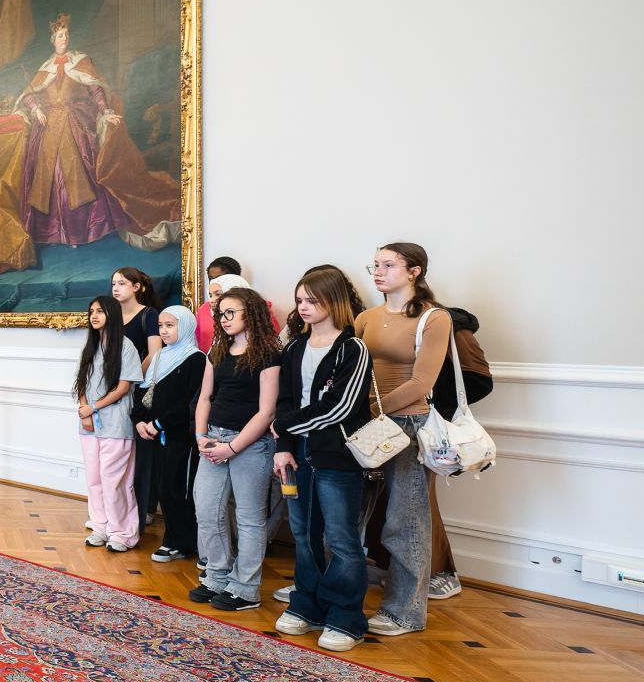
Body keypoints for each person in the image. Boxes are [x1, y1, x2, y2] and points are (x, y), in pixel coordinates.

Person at [273, 268, 375, 652]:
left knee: (341, 539)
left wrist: (284, 424)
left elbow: (340, 407)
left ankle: (345, 617)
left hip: (337, 456)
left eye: (312, 301)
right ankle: (308, 606)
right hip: (295, 453)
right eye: (300, 300)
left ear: (334, 302)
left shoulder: (353, 349)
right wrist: (283, 443)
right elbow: (285, 398)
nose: (304, 308)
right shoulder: (293, 347)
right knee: (303, 533)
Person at [354, 242, 452, 637]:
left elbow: (421, 383)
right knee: (347, 513)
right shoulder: (367, 317)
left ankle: (405, 612)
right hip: (366, 423)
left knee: (405, 520)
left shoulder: (434, 318)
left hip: (407, 426)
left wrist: (375, 409)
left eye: (388, 265)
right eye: (375, 265)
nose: (378, 272)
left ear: (414, 271)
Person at [15, 13, 175, 245]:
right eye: (60, 35)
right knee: (49, 176)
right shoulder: (45, 68)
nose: (64, 39)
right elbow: (29, 94)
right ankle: (50, 234)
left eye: (67, 35)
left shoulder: (81, 61)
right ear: (53, 40)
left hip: (74, 124)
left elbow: (96, 90)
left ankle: (79, 232)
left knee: (80, 170)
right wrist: (36, 109)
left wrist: (106, 112)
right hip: (48, 127)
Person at [188, 286, 282, 612]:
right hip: (213, 438)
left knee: (249, 518)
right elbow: (204, 398)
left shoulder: (269, 352)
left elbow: (267, 411)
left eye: (231, 312)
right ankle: (216, 576)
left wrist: (233, 447)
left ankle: (245, 589)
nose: (224, 319)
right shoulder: (218, 350)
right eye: (221, 314)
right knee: (207, 510)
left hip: (251, 444)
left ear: (251, 313)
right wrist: (201, 436)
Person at [132, 305, 205, 565]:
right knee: (162, 489)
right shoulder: (160, 356)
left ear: (185, 326)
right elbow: (142, 393)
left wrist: (159, 423)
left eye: (170, 325)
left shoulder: (196, 359)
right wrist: (140, 420)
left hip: (178, 438)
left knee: (179, 491)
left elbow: (190, 402)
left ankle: (185, 543)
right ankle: (172, 540)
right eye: (161, 326)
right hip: (153, 435)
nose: (163, 331)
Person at [73, 294, 140, 553]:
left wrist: (93, 407)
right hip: (89, 424)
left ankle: (122, 533)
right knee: (94, 479)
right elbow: (82, 382)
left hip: (115, 424)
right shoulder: (89, 347)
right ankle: (100, 526)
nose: (94, 316)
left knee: (115, 482)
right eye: (91, 311)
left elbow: (123, 387)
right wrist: (84, 411)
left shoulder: (126, 347)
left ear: (112, 314)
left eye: (100, 311)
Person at [112, 266, 162, 525]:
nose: (116, 288)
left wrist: (130, 379)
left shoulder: (149, 315)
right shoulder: (111, 316)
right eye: (113, 284)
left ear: (136, 287)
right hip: (114, 391)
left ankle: (145, 506)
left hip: (140, 389)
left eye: (121, 283)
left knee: (143, 451)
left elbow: (154, 353)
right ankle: (119, 504)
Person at [195, 270, 283, 352]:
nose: (212, 300)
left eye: (218, 294)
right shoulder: (218, 348)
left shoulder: (260, 314)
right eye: (210, 295)